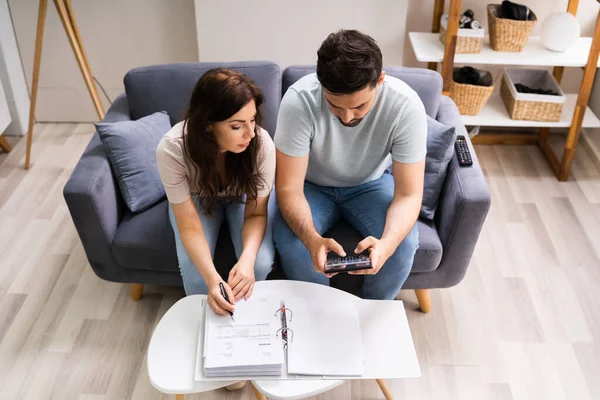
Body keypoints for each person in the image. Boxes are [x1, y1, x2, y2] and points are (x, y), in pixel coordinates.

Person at [273, 29, 427, 300]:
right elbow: (288, 189)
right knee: (294, 243)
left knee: (403, 246)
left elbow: (409, 194)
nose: (346, 118)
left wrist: (387, 245)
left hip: (371, 184)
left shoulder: (405, 107)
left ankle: (369, 315)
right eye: (335, 106)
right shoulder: (298, 101)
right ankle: (318, 317)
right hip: (311, 187)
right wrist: (311, 239)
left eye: (359, 107)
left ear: (380, 80)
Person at [157, 68, 276, 316]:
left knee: (261, 263)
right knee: (196, 273)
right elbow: (188, 225)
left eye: (252, 120)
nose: (250, 133)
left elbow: (256, 214)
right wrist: (213, 279)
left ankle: (248, 325)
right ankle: (209, 333)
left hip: (244, 198)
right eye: (237, 126)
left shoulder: (261, 144)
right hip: (196, 199)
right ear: (208, 125)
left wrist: (248, 259)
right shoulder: (172, 149)